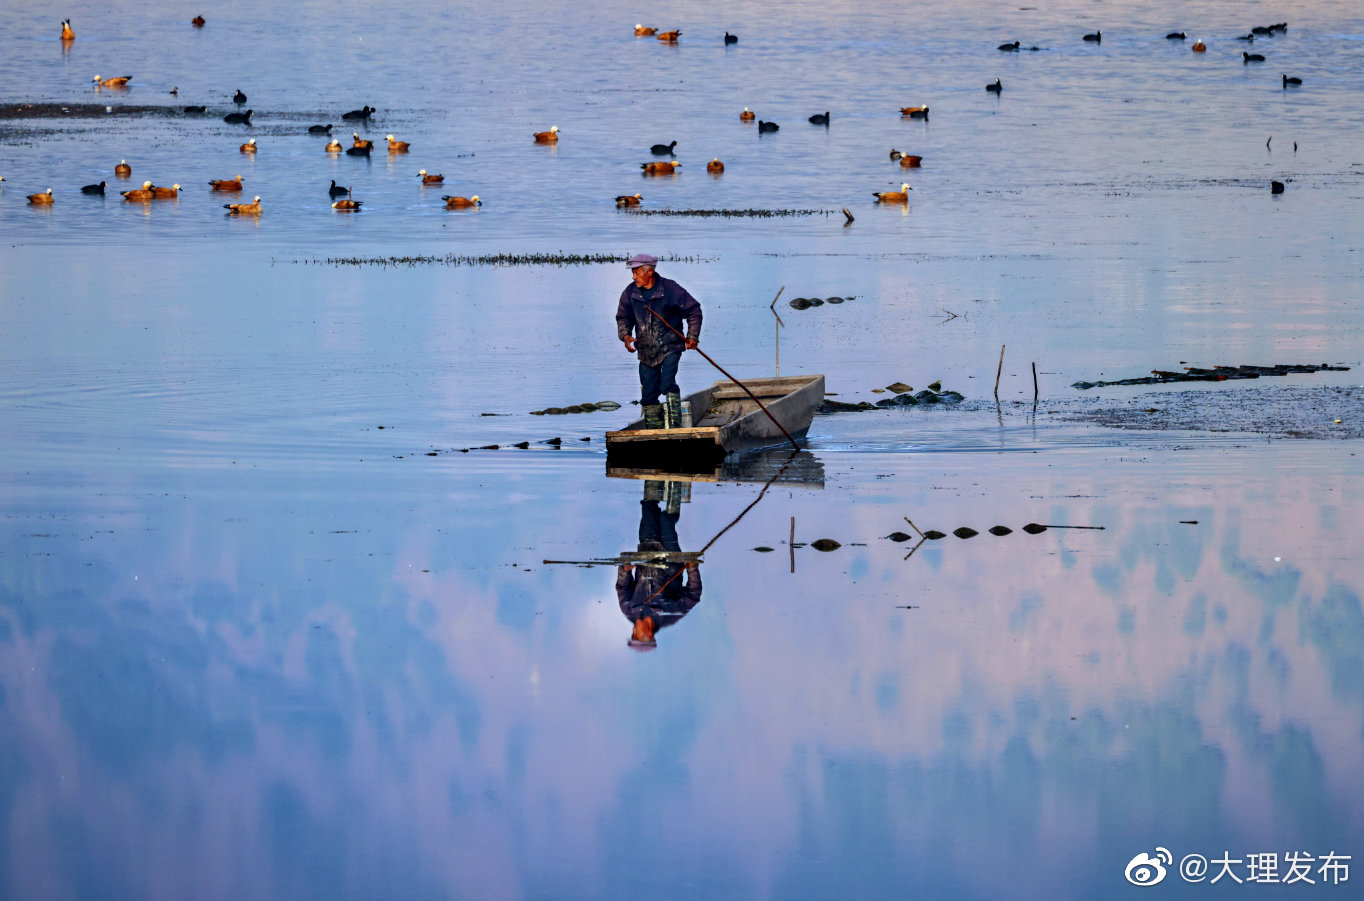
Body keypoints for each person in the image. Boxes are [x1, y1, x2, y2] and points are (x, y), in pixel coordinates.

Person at [615, 254, 703, 429]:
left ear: (650, 271)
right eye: (633, 273)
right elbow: (623, 318)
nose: (634, 277)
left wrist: (692, 337)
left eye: (637, 273)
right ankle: (654, 431)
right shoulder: (630, 293)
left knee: (667, 384)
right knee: (648, 394)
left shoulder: (670, 289)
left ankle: (676, 428)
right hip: (646, 350)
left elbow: (694, 310)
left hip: (671, 346)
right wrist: (626, 336)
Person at [617, 480, 703, 649]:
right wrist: (692, 569)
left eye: (633, 635)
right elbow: (693, 595)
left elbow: (622, 587)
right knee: (665, 520)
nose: (634, 632)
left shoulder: (628, 610)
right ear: (649, 635)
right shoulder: (670, 616)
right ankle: (676, 482)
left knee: (648, 508)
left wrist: (624, 571)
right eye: (637, 636)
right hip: (671, 558)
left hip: (647, 549)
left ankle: (653, 470)